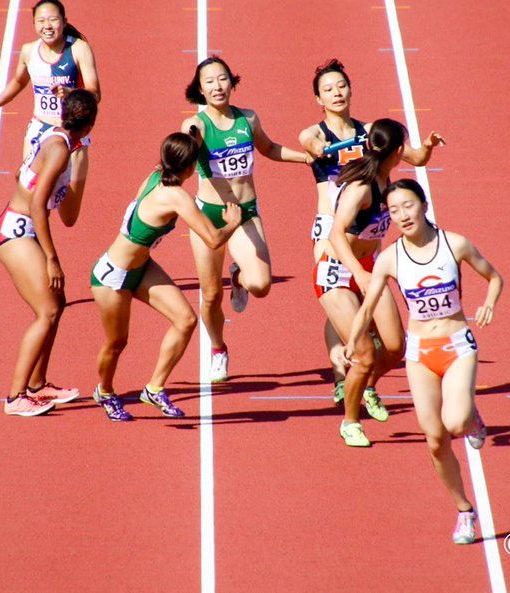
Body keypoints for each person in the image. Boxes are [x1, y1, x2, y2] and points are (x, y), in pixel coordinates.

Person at [344, 180, 502, 544]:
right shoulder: (390, 258)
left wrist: (489, 303)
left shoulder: (455, 244)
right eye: (393, 210)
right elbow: (368, 306)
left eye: (408, 206)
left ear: (424, 205)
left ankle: (471, 418)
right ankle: (464, 511)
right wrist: (352, 342)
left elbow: (494, 277)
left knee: (456, 421)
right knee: (435, 441)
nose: (402, 215)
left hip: (457, 345)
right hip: (419, 354)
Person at [297, 58, 443, 406]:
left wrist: (427, 146)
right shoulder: (317, 133)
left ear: (351, 90)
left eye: (341, 86)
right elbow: (308, 141)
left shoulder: (371, 134)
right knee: (337, 294)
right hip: (331, 225)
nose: (336, 93)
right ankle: (341, 376)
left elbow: (414, 157)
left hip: (369, 225)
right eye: (328, 89)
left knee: (366, 310)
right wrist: (317, 149)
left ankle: (362, 376)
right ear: (318, 99)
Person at [91, 129, 242, 421]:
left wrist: (194, 138)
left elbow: (182, 148)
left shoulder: (156, 175)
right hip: (113, 277)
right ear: (191, 167)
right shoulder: (177, 197)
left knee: (185, 320)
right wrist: (232, 223)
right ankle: (105, 392)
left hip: (141, 268)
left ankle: (154, 388)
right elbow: (213, 240)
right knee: (116, 342)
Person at [181, 56, 311, 382]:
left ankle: (238, 277)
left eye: (222, 79)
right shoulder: (197, 125)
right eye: (209, 81)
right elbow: (185, 147)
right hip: (209, 216)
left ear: (232, 82)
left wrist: (306, 158)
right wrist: (190, 139)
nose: (217, 86)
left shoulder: (248, 119)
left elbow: (270, 148)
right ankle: (218, 349)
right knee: (211, 294)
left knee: (261, 285)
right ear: (200, 89)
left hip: (245, 212)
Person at [0, 89, 96, 415]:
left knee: (57, 303)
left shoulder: (53, 137)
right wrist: (52, 259)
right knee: (47, 311)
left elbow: (20, 175)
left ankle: (38, 384)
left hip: (22, 229)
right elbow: (37, 205)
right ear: (90, 124)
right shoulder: (60, 150)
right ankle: (15, 397)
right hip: (14, 231)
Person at [0, 0, 100, 160]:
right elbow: (19, 81)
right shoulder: (29, 51)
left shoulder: (79, 49)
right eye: (41, 21)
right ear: (34, 23)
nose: (47, 26)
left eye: (53, 19)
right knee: (28, 177)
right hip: (39, 129)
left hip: (72, 131)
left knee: (70, 179)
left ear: (64, 21)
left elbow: (95, 94)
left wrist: (71, 93)